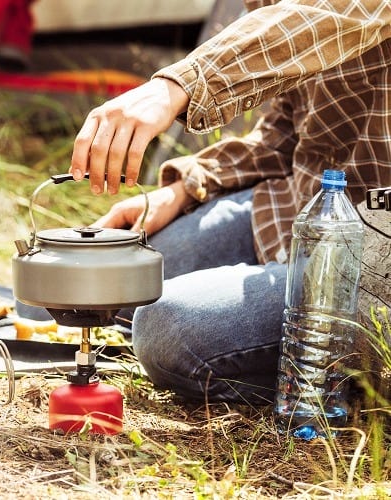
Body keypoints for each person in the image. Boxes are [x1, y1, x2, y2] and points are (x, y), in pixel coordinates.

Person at [69, 0, 391, 404]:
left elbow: (322, 16)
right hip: (301, 211)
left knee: (164, 328)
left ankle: (339, 384)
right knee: (126, 277)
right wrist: (183, 189)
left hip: (376, 253)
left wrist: (173, 88)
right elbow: (284, 134)